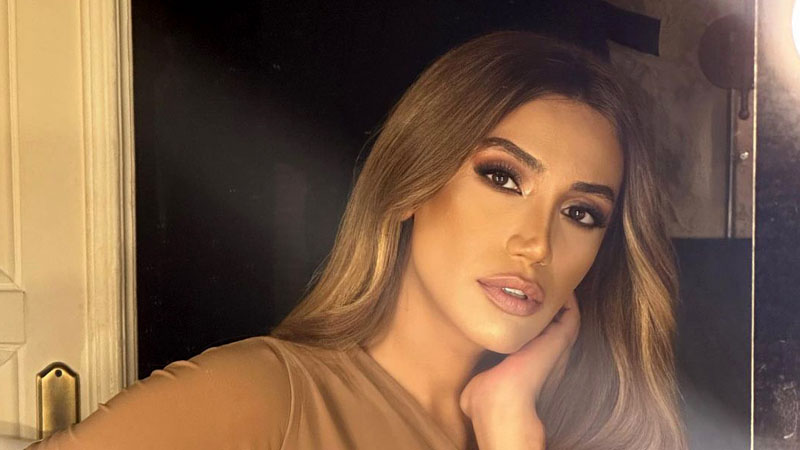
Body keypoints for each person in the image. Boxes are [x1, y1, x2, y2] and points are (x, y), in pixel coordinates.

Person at [28, 31, 686, 450]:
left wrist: (508, 425)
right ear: (412, 185)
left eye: (581, 213)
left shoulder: (570, 432)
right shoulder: (267, 398)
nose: (537, 244)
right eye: (502, 177)